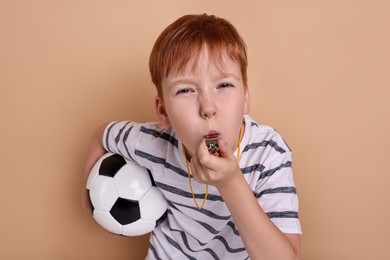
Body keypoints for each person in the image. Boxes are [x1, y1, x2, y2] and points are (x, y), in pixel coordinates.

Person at [83, 13, 302, 260]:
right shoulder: (151, 143)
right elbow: (102, 134)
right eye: (186, 90)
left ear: (245, 99)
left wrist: (231, 183)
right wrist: (90, 199)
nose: (208, 107)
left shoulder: (269, 153)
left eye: (224, 85)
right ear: (163, 111)